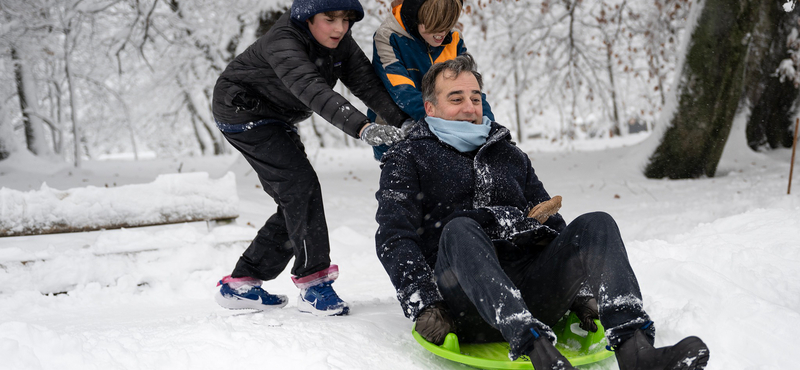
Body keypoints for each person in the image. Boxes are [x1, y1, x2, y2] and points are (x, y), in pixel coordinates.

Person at [374, 54, 710, 369]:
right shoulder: (408, 157)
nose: (470, 107)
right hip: (463, 301)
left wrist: (578, 295)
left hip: (532, 291)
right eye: (457, 98)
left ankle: (635, 348)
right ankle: (536, 349)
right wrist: (426, 303)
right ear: (430, 108)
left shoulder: (508, 155)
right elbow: (394, 237)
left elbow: (553, 222)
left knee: (596, 224)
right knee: (460, 228)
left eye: (475, 98)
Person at [211, 0, 411, 317]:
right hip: (243, 111)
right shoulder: (284, 41)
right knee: (300, 188)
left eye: (346, 20)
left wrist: (404, 122)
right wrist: (364, 128)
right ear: (307, 17)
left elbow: (367, 84)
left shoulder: (339, 43)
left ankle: (242, 283)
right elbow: (313, 90)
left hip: (278, 117)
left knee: (295, 198)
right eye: (329, 19)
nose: (339, 28)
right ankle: (313, 282)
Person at [368, 0, 494, 159]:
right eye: (434, 26)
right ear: (416, 15)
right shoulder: (389, 37)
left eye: (447, 24)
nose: (442, 33)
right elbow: (402, 91)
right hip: (399, 124)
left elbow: (470, 89)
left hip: (448, 125)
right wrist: (443, 127)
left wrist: (491, 129)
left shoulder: (453, 39)